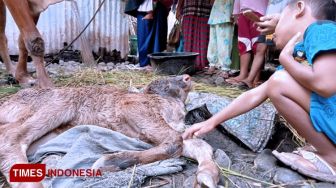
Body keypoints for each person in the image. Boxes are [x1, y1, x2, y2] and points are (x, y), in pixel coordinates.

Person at [183, 0, 336, 182]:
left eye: (278, 21)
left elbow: (325, 85)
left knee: (278, 82)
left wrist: (285, 59)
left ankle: (331, 158)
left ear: (300, 8)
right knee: (277, 83)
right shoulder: (302, 53)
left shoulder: (322, 29)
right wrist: (212, 122)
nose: (270, 32)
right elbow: (256, 94)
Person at [225, 0, 268, 88]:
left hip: (260, 13)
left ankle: (256, 77)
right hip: (243, 13)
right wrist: (236, 13)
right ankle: (243, 74)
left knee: (258, 45)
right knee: (243, 43)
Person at [125, 0, 173, 69]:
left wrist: (152, 10)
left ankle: (153, 63)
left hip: (154, 7)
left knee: (154, 38)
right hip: (148, 8)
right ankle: (149, 63)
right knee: (149, 37)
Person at [176, 0, 213, 71]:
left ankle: (201, 63)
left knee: (203, 40)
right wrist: (178, 8)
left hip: (205, 12)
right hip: (189, 11)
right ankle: (187, 64)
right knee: (188, 41)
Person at [206, 0, 235, 78]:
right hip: (215, 12)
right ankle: (213, 65)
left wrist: (234, 12)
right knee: (212, 42)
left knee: (225, 43)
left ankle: (225, 68)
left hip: (227, 12)